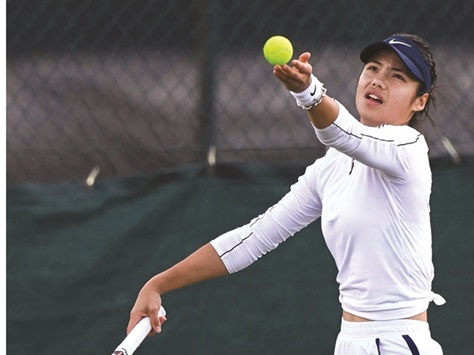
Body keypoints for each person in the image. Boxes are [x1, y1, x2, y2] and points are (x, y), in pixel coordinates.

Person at [127, 33, 445, 354]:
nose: (378, 81)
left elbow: (344, 134)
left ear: (419, 101)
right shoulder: (329, 169)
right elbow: (253, 238)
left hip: (397, 343)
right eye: (373, 69)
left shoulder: (409, 148)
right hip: (350, 341)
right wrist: (158, 284)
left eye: (397, 76)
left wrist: (308, 92)